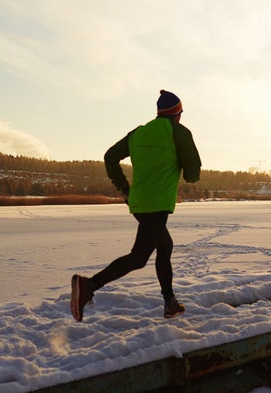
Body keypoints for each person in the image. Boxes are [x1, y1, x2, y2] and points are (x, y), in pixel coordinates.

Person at [71, 90, 202, 322]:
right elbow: (193, 173)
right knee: (139, 257)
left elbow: (110, 156)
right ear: (177, 114)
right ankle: (89, 285)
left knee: (165, 246)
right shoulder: (179, 132)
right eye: (181, 112)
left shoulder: (139, 133)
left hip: (138, 202)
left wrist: (123, 188)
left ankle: (170, 302)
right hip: (157, 204)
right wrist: (182, 168)